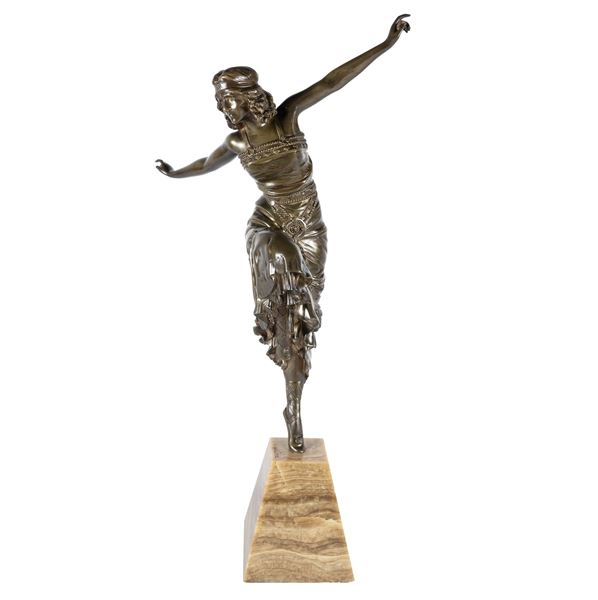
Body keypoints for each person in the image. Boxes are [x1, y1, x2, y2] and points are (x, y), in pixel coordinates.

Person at [156, 15, 411, 452]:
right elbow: (205, 164)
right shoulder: (237, 143)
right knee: (282, 271)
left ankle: (293, 405)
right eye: (220, 102)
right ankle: (293, 408)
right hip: (268, 221)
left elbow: (332, 82)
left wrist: (386, 43)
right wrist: (175, 172)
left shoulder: (287, 117)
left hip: (308, 224)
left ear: (249, 98)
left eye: (228, 100)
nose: (223, 109)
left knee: (300, 317)